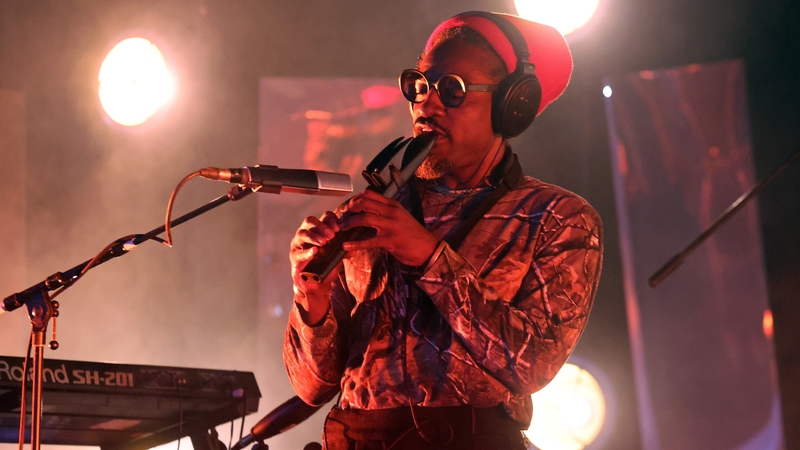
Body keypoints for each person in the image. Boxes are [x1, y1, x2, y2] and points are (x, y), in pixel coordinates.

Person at [284, 11, 603, 450]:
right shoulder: (375, 209)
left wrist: (430, 257)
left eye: (452, 90)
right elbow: (311, 387)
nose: (426, 105)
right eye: (419, 84)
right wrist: (312, 303)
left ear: (512, 105)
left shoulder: (558, 217)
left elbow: (532, 365)